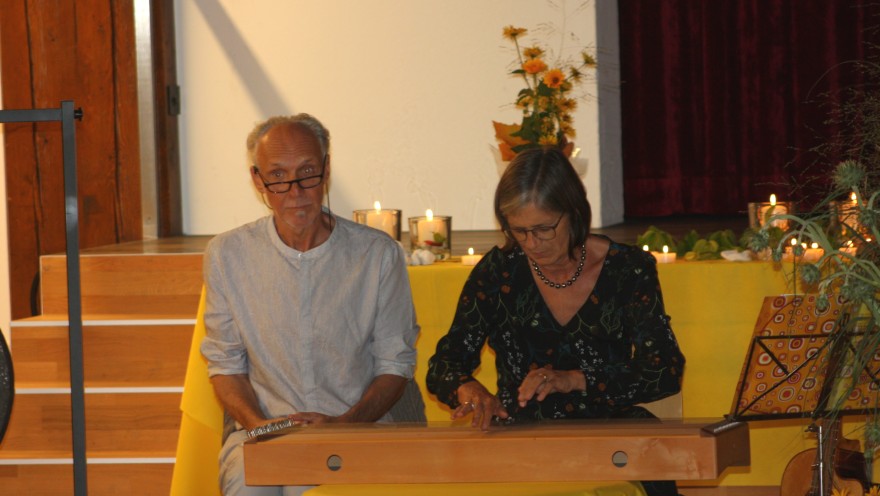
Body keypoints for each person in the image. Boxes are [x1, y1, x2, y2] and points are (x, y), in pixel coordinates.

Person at [426, 147, 685, 496]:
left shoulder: (627, 269)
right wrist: (468, 389)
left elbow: (664, 370)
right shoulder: (499, 272)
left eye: (544, 228)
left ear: (574, 212)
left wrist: (573, 379)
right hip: (522, 438)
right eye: (519, 231)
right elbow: (444, 365)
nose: (532, 243)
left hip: (612, 436)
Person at [201, 114, 421, 496]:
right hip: (263, 431)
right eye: (278, 176)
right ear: (258, 180)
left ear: (326, 170)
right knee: (248, 488)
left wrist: (345, 424)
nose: (296, 191)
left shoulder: (377, 254)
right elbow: (225, 364)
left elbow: (395, 364)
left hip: (356, 429)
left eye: (307, 173)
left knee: (305, 486)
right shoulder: (227, 255)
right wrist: (259, 426)